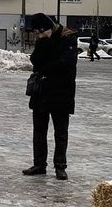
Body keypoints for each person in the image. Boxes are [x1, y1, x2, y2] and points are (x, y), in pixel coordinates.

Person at [22, 13, 78, 180]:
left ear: (48, 27)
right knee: (39, 131)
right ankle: (39, 164)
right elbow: (35, 60)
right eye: (37, 33)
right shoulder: (42, 40)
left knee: (60, 132)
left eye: (41, 32)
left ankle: (60, 166)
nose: (39, 36)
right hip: (42, 91)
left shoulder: (67, 37)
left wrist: (45, 68)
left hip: (62, 92)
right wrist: (44, 43)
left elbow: (66, 64)